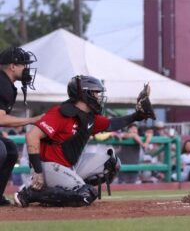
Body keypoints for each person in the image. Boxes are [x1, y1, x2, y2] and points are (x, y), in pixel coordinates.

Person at [13, 75, 156, 207]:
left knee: (112, 163)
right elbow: (32, 136)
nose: (99, 96)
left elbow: (112, 124)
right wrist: (38, 172)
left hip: (68, 167)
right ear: (85, 94)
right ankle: (32, 194)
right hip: (47, 168)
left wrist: (137, 115)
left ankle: (62, 192)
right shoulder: (60, 113)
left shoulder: (89, 117)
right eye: (96, 92)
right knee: (86, 195)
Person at [0, 47, 41, 207]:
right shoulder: (2, 84)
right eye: (24, 65)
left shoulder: (5, 83)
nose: (27, 69)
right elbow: (1, 119)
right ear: (12, 66)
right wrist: (32, 119)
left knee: (10, 149)